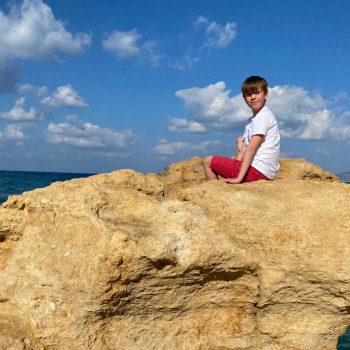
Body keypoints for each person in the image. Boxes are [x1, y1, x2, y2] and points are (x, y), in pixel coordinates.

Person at [203, 76, 280, 184]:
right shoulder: (252, 120)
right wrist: (239, 147)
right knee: (239, 143)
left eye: (257, 93)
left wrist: (238, 178)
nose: (253, 97)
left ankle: (215, 193)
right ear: (244, 98)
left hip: (257, 170)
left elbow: (252, 148)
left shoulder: (263, 116)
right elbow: (241, 155)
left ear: (266, 94)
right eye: (248, 95)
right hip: (262, 171)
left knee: (208, 161)